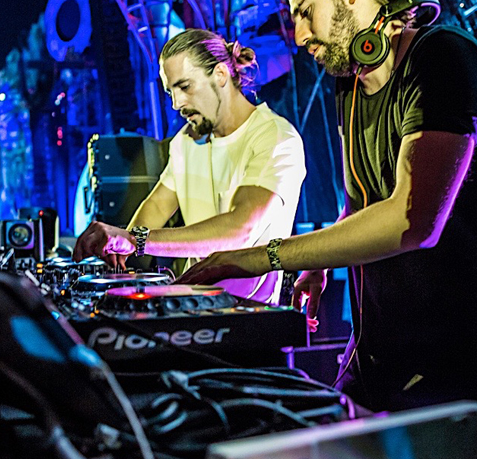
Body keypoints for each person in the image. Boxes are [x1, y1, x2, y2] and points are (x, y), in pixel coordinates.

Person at [176, 0, 477, 459]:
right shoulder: (352, 83)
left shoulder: (444, 60)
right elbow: (364, 200)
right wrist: (320, 264)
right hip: (376, 371)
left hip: (456, 386)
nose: (299, 36)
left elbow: (411, 219)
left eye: (305, 11)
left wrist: (263, 256)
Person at [72, 28, 306, 304]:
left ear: (220, 75)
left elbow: (241, 229)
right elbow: (158, 205)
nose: (176, 103)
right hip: (192, 305)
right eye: (170, 91)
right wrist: (120, 248)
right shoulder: (185, 141)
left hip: (248, 312)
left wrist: (136, 239)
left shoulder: (275, 137)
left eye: (185, 87)